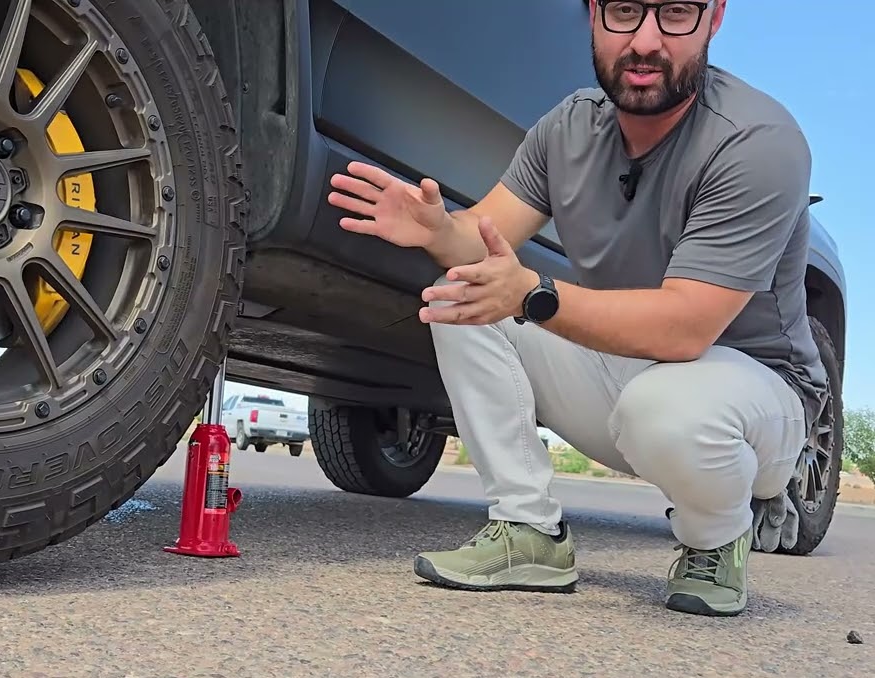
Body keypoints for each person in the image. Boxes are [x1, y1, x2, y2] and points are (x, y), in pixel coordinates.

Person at [326, 0, 826, 617]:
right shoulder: (568, 127)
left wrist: (534, 294)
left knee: (667, 409)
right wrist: (436, 230)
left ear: (714, 19)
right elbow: (485, 238)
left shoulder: (757, 142)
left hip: (753, 400)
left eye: (674, 13)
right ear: (593, 15)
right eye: (624, 11)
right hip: (628, 374)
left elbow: (686, 328)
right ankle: (528, 531)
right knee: (465, 295)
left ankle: (716, 539)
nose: (645, 41)